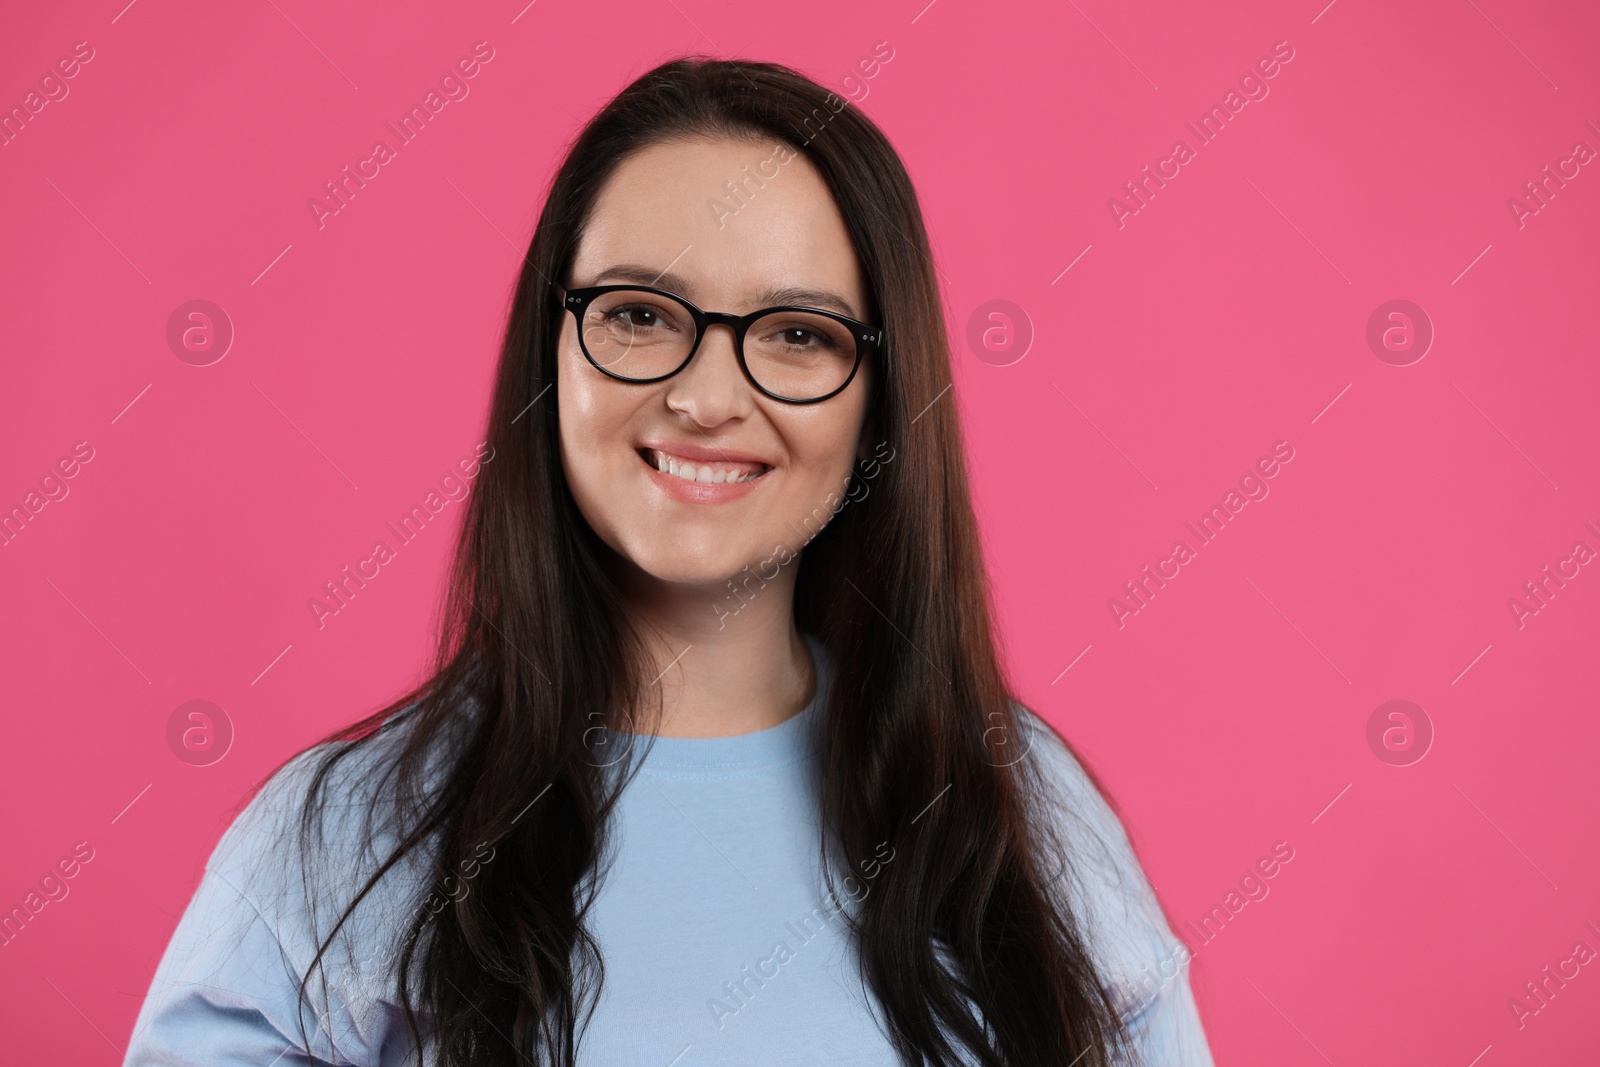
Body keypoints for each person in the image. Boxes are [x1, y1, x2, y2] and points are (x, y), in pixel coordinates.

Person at [124, 56, 1214, 1067]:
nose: (703, 397)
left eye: (796, 332)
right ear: (549, 350)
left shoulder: (1018, 810)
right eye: (640, 313)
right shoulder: (340, 837)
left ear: (880, 393)